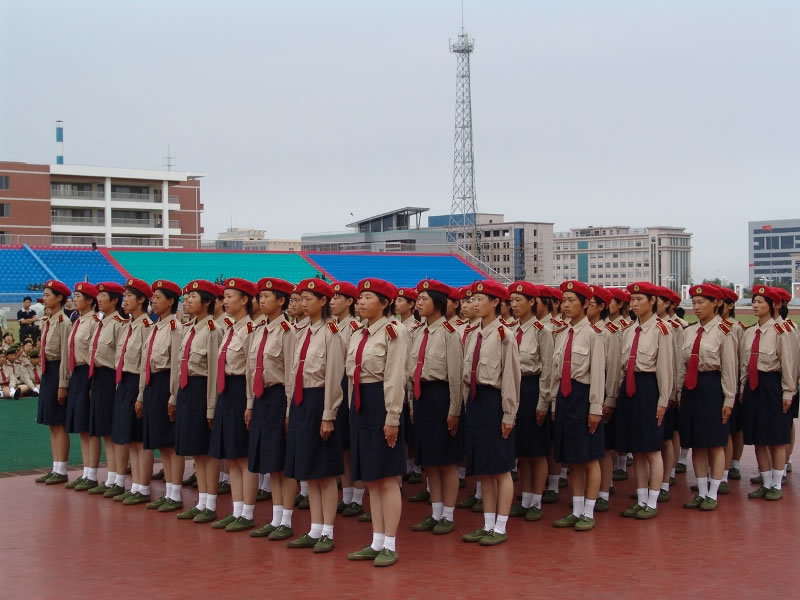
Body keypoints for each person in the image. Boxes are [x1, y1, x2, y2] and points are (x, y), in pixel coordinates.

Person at [277, 278, 344, 552]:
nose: (303, 303)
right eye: (301, 298)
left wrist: (328, 414)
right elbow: (292, 373)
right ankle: (314, 528)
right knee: (309, 469)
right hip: (301, 402)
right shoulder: (300, 331)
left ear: (323, 301)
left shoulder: (332, 333)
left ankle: (327, 530)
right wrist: (290, 407)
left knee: (324, 471)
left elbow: (333, 377)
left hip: (319, 401)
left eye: (308, 298)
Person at [345, 278, 409, 567]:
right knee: (371, 478)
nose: (361, 302)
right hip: (360, 404)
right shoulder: (359, 333)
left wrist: (392, 417)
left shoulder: (394, 332)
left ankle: (391, 544)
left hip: (382, 403)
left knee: (386, 477)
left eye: (368, 297)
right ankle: (376, 540)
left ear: (384, 304)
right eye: (360, 297)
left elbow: (395, 377)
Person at [460, 280, 520, 546]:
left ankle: (501, 526)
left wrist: (509, 414)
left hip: (495, 401)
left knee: (501, 467)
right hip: (475, 401)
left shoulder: (504, 335)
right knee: (484, 468)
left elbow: (511, 377)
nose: (474, 303)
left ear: (496, 302)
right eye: (473, 299)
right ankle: (487, 524)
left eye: (480, 299)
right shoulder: (474, 333)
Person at [544, 281, 605, 532]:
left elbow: (598, 374)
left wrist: (595, 408)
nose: (566, 305)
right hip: (565, 398)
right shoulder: (562, 333)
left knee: (589, 458)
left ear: (586, 304)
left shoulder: (593, 335)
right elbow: (556, 373)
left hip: (583, 396)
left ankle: (589, 511)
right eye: (563, 300)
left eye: (571, 300)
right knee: (573, 458)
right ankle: (576, 508)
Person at [407, 279, 464, 535]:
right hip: (421, 398)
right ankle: (435, 511)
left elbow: (455, 377)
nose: (418, 303)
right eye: (418, 299)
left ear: (438, 303)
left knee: (446, 460)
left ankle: (448, 515)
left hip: (441, 397)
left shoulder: (450, 334)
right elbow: (412, 371)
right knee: (430, 459)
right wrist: (411, 402)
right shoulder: (417, 332)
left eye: (424, 299)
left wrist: (454, 410)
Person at [615, 282, 673, 520]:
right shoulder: (628, 330)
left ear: (652, 301)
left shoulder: (662, 329)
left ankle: (652, 500)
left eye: (640, 299)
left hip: (650, 389)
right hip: (629, 390)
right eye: (633, 299)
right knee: (637, 450)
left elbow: (665, 369)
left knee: (651, 449)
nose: (635, 304)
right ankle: (640, 498)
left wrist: (663, 401)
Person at [244, 277, 296, 537]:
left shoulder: (288, 331)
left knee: (282, 461)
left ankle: (286, 519)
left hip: (279, 398)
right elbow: (251, 370)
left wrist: (288, 411)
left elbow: (290, 374)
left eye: (266, 297)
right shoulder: (259, 329)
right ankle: (276, 519)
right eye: (260, 296)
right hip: (261, 397)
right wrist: (250, 404)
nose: (261, 301)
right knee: (270, 460)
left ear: (281, 301)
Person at [677, 284, 736, 511]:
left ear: (716, 303)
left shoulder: (724, 332)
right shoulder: (689, 331)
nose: (697, 307)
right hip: (691, 389)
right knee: (696, 443)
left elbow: (729, 368)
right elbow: (682, 366)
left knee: (715, 442)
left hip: (713, 386)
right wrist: (679, 392)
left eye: (702, 302)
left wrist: (728, 400)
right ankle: (701, 491)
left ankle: (713, 492)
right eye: (694, 303)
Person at [208, 278, 257, 531]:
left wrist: (249, 403)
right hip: (226, 391)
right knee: (232, 455)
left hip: (241, 391)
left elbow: (251, 370)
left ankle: (247, 512)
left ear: (245, 300)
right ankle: (237, 509)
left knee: (244, 456)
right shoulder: (229, 329)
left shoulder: (251, 330)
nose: (225, 301)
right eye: (224, 296)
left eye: (230, 296)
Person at [173, 280, 223, 523]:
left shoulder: (213, 330)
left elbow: (214, 370)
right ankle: (201, 501)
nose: (187, 300)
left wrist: (211, 406)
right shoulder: (190, 328)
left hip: (203, 390)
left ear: (207, 302)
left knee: (206, 450)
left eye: (193, 296)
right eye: (186, 297)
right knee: (195, 450)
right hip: (187, 390)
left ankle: (210, 503)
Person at [505, 281, 554, 522]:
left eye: (518, 301)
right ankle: (524, 498)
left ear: (532, 302)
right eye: (511, 301)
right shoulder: (509, 330)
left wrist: (543, 402)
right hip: (513, 390)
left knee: (537, 450)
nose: (513, 305)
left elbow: (548, 369)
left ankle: (537, 499)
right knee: (521, 450)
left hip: (532, 388)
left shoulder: (542, 331)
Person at [743, 286, 796, 500]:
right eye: (754, 301)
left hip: (772, 385)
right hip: (753, 386)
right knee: (758, 437)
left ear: (773, 305)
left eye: (760, 302)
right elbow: (744, 366)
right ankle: (765, 482)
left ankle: (776, 483)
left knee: (776, 437)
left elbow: (788, 364)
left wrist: (788, 392)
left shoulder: (782, 332)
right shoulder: (749, 333)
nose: (755, 305)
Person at [139, 280, 184, 512]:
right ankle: (169, 492)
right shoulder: (156, 327)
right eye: (153, 297)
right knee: (161, 443)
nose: (153, 301)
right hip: (153, 384)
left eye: (158, 297)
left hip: (167, 383)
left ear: (171, 301)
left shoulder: (175, 327)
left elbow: (176, 365)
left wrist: (173, 396)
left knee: (170, 441)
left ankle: (175, 493)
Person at [111, 278, 155, 505]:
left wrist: (140, 395)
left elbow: (145, 364)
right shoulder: (128, 325)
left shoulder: (147, 327)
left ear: (141, 300)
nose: (125, 300)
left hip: (138, 383)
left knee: (139, 438)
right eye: (124, 295)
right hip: (124, 383)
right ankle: (135, 485)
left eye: (129, 296)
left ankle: (142, 487)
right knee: (128, 437)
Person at [329, 281, 367, 517]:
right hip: (335, 385)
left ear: (350, 302)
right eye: (331, 298)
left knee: (354, 445)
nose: (332, 301)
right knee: (342, 445)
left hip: (350, 384)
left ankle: (358, 498)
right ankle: (348, 493)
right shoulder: (331, 325)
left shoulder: (354, 327)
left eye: (338, 297)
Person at [585, 285, 622, 514]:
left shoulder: (608, 332)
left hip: (602, 395)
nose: (587, 307)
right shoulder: (581, 330)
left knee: (605, 449)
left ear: (601, 307)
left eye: (591, 304)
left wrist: (609, 400)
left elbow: (613, 370)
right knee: (589, 449)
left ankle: (603, 492)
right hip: (584, 395)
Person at [34, 280, 73, 485]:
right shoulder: (47, 320)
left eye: (49, 294)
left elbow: (66, 355)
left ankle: (62, 468)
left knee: (59, 422)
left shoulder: (63, 323)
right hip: (48, 370)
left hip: (58, 370)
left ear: (59, 298)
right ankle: (55, 466)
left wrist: (63, 383)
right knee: (51, 423)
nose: (45, 297)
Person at [64, 283, 101, 490]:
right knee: (81, 426)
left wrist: (90, 380)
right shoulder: (77, 321)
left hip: (88, 372)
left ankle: (92, 474)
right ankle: (86, 471)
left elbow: (93, 353)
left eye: (79, 296)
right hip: (76, 373)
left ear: (90, 301)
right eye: (74, 295)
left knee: (89, 426)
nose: (75, 299)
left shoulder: (94, 322)